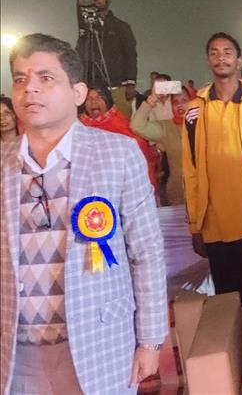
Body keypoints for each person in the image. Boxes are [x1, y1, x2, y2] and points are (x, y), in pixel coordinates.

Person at [1, 33, 167, 394]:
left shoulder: (118, 153)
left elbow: (147, 253)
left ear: (78, 92)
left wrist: (151, 340)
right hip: (16, 356)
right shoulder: (3, 162)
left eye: (46, 77)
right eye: (20, 79)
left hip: (100, 345)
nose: (30, 88)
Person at [182, 32, 242, 337]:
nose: (221, 58)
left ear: (239, 60)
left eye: (227, 52)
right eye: (214, 52)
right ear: (208, 60)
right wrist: (196, 225)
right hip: (216, 226)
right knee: (228, 308)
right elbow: (190, 170)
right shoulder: (195, 110)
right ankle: (235, 361)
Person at [80, 85, 159, 191]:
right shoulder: (77, 128)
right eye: (89, 98)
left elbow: (141, 160)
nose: (93, 101)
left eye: (99, 97)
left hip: (121, 186)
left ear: (108, 101)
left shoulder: (122, 126)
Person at [75, 0, 138, 115]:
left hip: (116, 85)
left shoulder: (121, 26)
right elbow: (81, 15)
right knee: (93, 121)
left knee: (120, 119)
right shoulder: (88, 26)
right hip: (92, 85)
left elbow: (130, 55)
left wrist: (131, 83)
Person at [131, 85, 195, 206]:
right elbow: (137, 126)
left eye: (184, 100)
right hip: (178, 195)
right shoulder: (166, 128)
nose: (179, 105)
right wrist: (152, 99)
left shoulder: (205, 125)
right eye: (175, 102)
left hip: (206, 194)